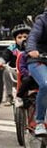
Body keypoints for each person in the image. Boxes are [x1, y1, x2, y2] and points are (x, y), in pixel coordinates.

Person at [0, 24, 30, 105]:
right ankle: (9, 95)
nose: (23, 39)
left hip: (31, 74)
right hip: (16, 74)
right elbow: (4, 56)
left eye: (25, 37)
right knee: (6, 71)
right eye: (19, 37)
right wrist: (0, 62)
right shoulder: (12, 48)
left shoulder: (34, 48)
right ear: (15, 39)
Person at [26, 8, 47, 136]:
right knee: (45, 84)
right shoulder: (42, 20)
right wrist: (31, 49)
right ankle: (39, 122)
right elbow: (33, 36)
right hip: (38, 60)